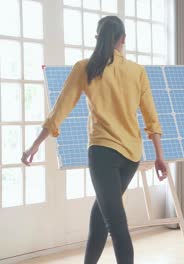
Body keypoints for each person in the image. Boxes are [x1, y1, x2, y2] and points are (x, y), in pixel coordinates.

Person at [21, 16, 167, 264]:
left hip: (102, 153)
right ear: (123, 40)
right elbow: (152, 119)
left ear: (98, 38)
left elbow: (59, 111)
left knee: (114, 220)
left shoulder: (85, 68)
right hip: (131, 155)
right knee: (103, 213)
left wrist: (35, 144)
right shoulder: (137, 71)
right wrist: (159, 157)